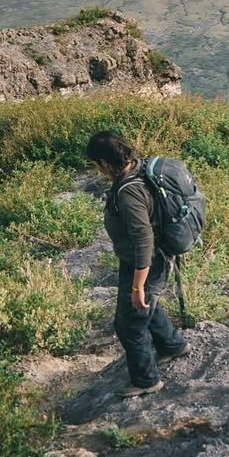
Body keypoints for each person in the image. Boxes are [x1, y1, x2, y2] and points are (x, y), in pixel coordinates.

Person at [86, 130, 189, 399]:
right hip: (137, 260)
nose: (98, 171)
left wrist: (138, 285)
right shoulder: (137, 171)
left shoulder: (129, 191)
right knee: (146, 307)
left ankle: (146, 380)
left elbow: (144, 239)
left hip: (146, 262)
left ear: (106, 163)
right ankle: (172, 346)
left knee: (130, 323)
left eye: (97, 165)